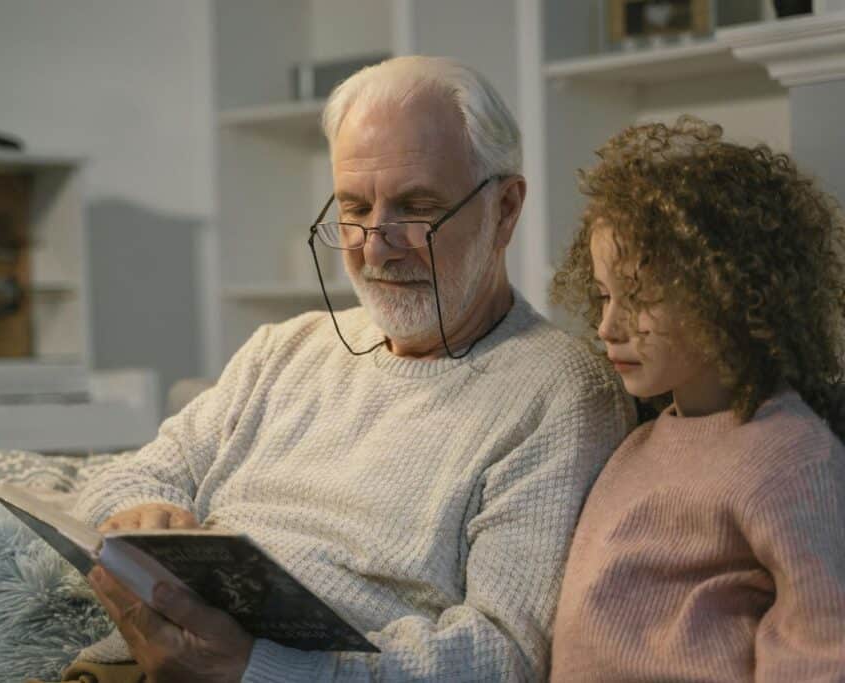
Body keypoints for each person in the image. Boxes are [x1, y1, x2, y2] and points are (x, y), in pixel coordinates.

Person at [76, 56, 634, 682]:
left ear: (504, 209)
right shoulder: (284, 349)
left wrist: (257, 671)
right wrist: (148, 510)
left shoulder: (561, 392)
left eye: (415, 207)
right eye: (354, 208)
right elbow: (130, 476)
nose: (374, 244)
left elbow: (503, 654)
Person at [549, 116, 845, 680]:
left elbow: (823, 651)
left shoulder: (790, 455)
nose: (607, 325)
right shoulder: (635, 444)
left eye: (638, 298)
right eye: (605, 295)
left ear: (726, 295)